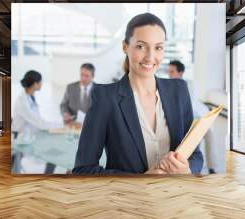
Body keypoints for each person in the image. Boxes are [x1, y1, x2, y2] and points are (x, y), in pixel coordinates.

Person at [72, 13, 203, 174]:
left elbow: (195, 154)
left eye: (158, 47)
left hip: (175, 195)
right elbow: (83, 169)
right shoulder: (105, 98)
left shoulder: (179, 90)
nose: (150, 57)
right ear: (125, 47)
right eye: (141, 46)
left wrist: (187, 169)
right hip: (129, 198)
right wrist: (140, 181)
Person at [169, 59, 216, 174]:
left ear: (180, 73)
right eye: (169, 72)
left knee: (210, 142)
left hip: (203, 117)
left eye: (172, 72)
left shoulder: (188, 84)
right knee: (193, 148)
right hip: (192, 120)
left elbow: (191, 103)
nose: (169, 74)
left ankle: (211, 168)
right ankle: (193, 170)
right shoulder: (170, 87)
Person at [12, 70, 55, 135]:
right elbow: (39, 123)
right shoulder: (22, 102)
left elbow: (38, 119)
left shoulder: (30, 97)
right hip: (19, 137)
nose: (41, 84)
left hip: (29, 133)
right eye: (40, 81)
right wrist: (63, 125)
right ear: (35, 84)